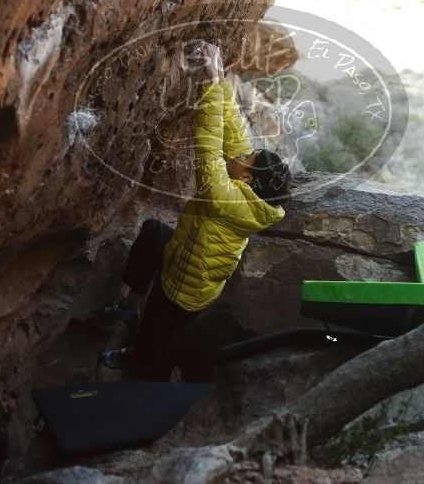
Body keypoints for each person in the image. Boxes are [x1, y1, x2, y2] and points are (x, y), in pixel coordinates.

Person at [100, 43, 292, 380]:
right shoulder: (246, 185)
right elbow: (233, 137)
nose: (239, 154)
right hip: (184, 252)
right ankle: (131, 306)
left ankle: (139, 365)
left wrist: (208, 87)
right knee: (153, 233)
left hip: (184, 287)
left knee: (153, 335)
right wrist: (220, 80)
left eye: (244, 159)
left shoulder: (226, 197)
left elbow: (208, 148)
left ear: (245, 177)